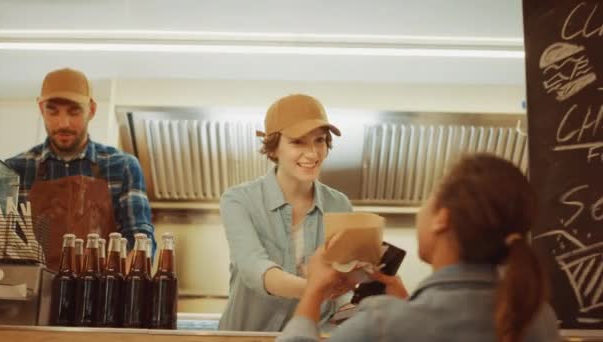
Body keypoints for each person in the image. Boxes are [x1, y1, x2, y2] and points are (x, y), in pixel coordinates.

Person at [278, 154, 560, 342]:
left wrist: (313, 291)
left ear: (442, 218)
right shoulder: (538, 317)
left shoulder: (380, 324)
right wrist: (409, 305)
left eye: (429, 198)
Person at [218, 94, 353, 331]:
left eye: (319, 140)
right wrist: (316, 290)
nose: (312, 154)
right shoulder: (238, 200)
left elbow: (341, 283)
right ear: (273, 147)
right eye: (298, 142)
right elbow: (253, 267)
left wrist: (354, 302)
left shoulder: (339, 205)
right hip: (247, 337)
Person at [5, 67, 156, 270]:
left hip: (100, 296)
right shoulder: (14, 171)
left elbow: (140, 238)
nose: (63, 123)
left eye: (74, 111)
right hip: (34, 298)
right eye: (53, 111)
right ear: (41, 108)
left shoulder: (122, 167)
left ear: (91, 110)